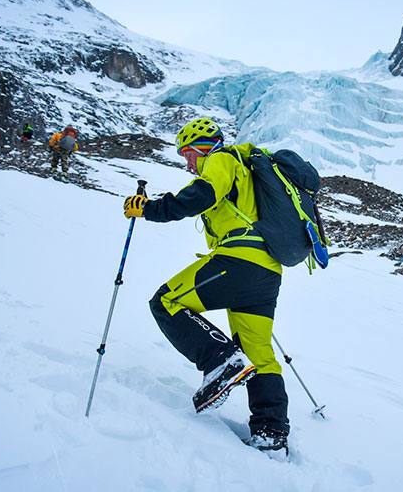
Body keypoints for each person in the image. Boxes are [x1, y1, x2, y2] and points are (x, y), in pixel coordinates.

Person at [122, 117, 290, 454]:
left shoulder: (221, 159)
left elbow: (203, 194)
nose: (187, 163)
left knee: (166, 301)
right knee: (259, 354)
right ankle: (271, 433)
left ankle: (219, 359)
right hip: (267, 272)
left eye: (187, 154)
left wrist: (149, 209)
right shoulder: (245, 171)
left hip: (238, 261)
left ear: (201, 147)